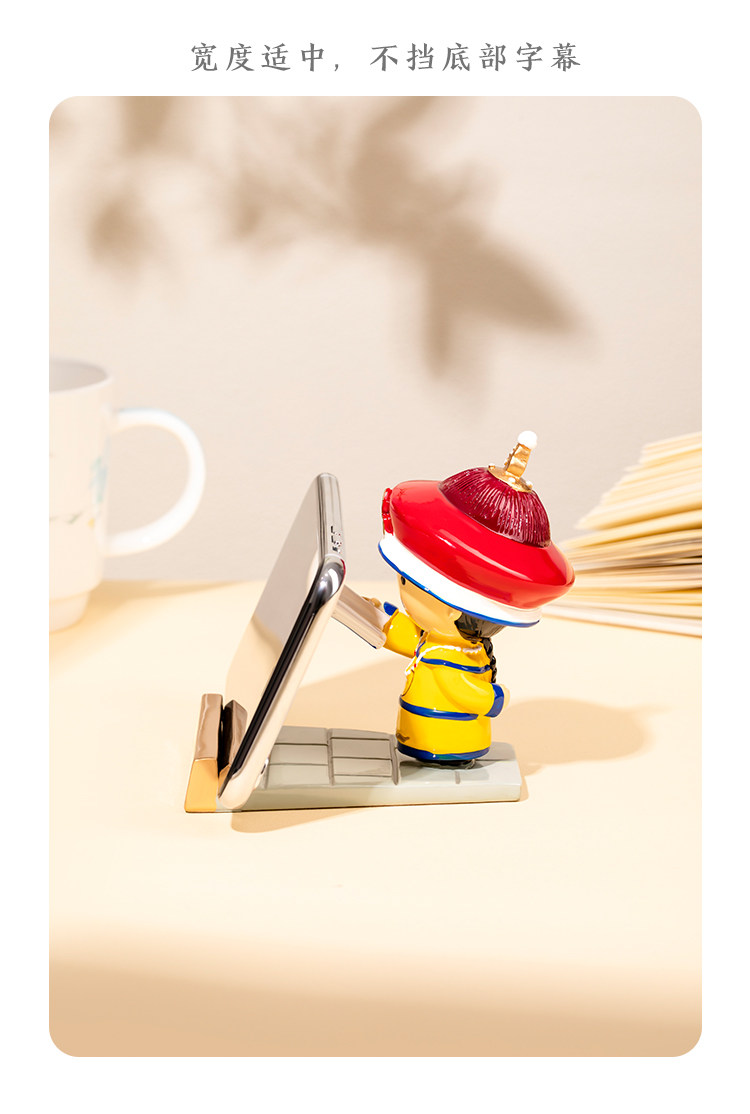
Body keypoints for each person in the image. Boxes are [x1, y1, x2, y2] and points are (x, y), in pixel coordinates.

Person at [376, 432, 574, 766]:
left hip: (445, 737)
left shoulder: (449, 658)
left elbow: (462, 690)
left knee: (442, 757)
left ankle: (448, 762)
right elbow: (410, 639)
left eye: (408, 582)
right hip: (421, 730)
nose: (402, 586)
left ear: (452, 610)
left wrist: (494, 699)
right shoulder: (441, 643)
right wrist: (381, 619)